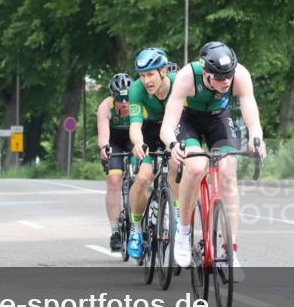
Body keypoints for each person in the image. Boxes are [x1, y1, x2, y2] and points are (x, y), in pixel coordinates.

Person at [160, 41, 266, 273]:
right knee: (197, 166)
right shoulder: (187, 77)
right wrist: (173, 144)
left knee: (229, 170)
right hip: (188, 122)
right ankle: (184, 231)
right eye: (218, 77)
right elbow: (167, 125)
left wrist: (256, 138)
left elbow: (251, 113)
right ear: (205, 72)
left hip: (219, 119)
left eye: (228, 75)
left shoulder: (240, 76)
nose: (225, 81)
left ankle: (230, 251)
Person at [124, 48, 179, 260]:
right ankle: (136, 229)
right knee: (144, 177)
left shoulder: (178, 83)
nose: (146, 80)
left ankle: (176, 216)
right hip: (148, 131)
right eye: (142, 75)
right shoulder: (137, 90)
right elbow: (135, 124)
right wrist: (138, 142)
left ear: (163, 71)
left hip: (173, 129)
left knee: (176, 165)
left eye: (150, 74)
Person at [97, 73, 133, 252]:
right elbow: (103, 136)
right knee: (114, 180)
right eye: (120, 99)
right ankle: (115, 232)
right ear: (113, 97)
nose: (124, 103)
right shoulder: (105, 106)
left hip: (134, 138)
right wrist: (104, 147)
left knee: (144, 174)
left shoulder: (138, 104)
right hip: (115, 142)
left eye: (127, 98)